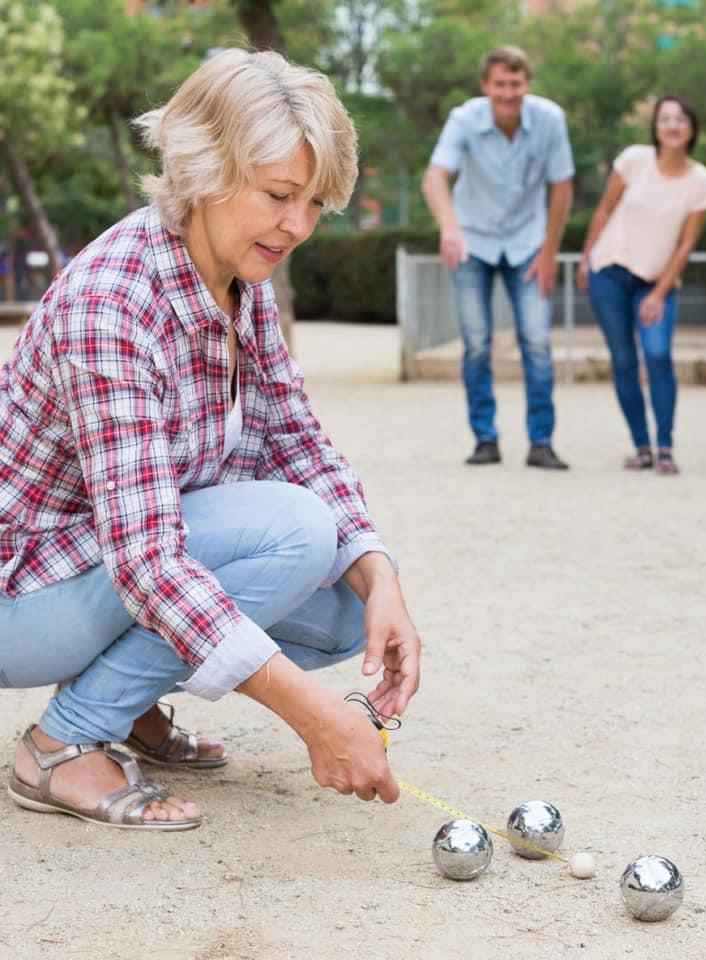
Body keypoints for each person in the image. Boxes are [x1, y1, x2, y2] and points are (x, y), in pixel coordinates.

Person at [0, 50, 421, 831]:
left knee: (340, 606)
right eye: (280, 196)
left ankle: (126, 707)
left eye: (314, 204)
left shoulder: (236, 274)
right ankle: (63, 744)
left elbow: (297, 439)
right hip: (20, 590)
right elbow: (148, 561)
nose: (298, 226)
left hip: (101, 565)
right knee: (294, 533)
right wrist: (316, 716)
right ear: (205, 169)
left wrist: (380, 577)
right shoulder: (112, 304)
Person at [422, 46, 574, 470]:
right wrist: (448, 226)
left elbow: (562, 187)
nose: (508, 93)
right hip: (473, 241)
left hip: (527, 244)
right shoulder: (464, 119)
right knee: (476, 343)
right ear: (486, 85)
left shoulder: (549, 120)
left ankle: (541, 442)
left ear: (527, 84)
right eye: (500, 84)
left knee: (538, 342)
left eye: (516, 84)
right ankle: (485, 439)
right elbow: (436, 175)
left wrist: (549, 252)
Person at [577, 96, 706, 475]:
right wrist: (586, 258)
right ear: (655, 127)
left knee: (657, 354)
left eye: (680, 119)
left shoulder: (701, 182)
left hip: (656, 281)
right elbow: (604, 210)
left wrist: (658, 293)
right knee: (623, 359)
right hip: (609, 271)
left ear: (691, 128)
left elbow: (686, 244)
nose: (672, 125)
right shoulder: (634, 161)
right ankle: (641, 446)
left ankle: (665, 445)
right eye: (665, 119)